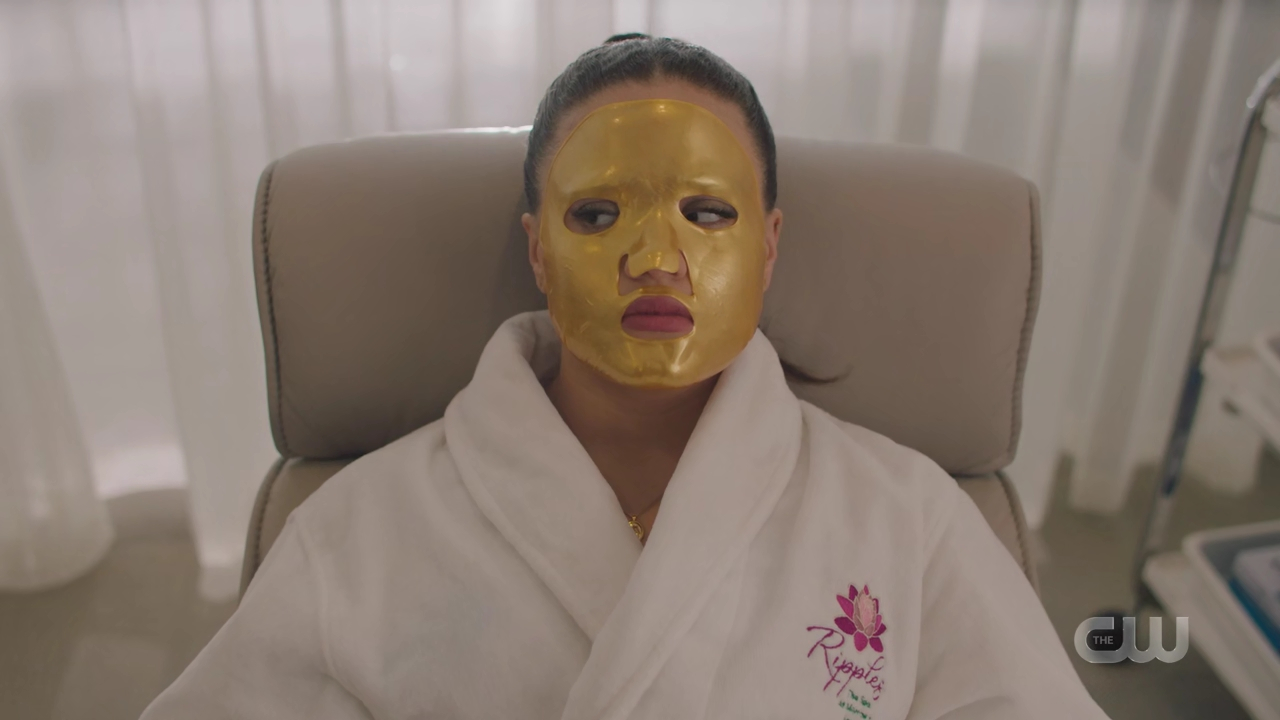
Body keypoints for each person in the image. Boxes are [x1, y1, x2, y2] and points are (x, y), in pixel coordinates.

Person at [142, 34, 1109, 720]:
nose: (655, 260)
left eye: (707, 213)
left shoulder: (909, 516)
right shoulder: (358, 532)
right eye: (598, 215)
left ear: (770, 245)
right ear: (537, 248)